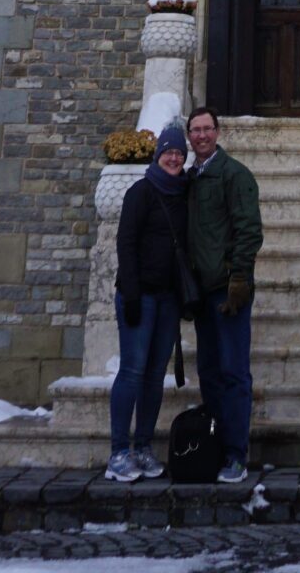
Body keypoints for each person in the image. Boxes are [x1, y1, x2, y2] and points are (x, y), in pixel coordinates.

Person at [105, 121, 191, 482]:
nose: (173, 158)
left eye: (178, 153)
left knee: (155, 375)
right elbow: (126, 243)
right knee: (132, 371)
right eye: (168, 152)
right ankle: (118, 452)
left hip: (169, 297)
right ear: (157, 156)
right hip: (140, 296)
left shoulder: (184, 193)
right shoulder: (140, 192)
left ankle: (142, 446)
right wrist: (132, 293)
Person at [185, 104, 262, 484]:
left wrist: (239, 280)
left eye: (207, 129)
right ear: (189, 137)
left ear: (217, 132)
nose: (201, 135)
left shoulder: (235, 175)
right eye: (195, 130)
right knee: (209, 373)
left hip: (227, 293)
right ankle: (214, 445)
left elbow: (249, 230)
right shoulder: (190, 179)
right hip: (201, 293)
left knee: (233, 373)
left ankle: (235, 453)